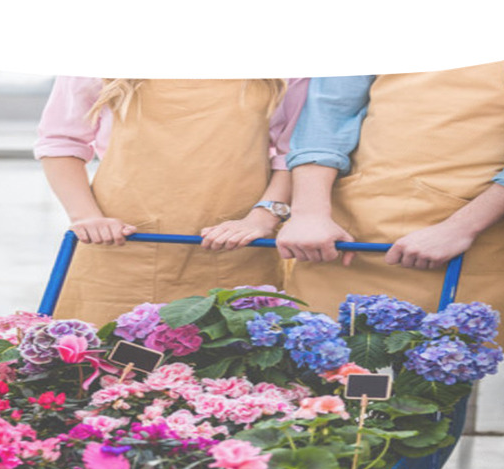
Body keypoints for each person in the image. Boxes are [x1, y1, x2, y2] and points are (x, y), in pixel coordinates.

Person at [276, 53, 504, 352]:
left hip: (469, 250)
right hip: (345, 245)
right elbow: (326, 116)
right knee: (323, 381)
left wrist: (461, 228)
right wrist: (309, 213)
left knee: (436, 383)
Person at [34, 77, 308, 326]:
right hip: (117, 249)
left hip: (239, 248)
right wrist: (86, 217)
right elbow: (61, 142)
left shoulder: (284, 70)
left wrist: (263, 217)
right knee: (103, 368)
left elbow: (295, 152)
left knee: (233, 370)